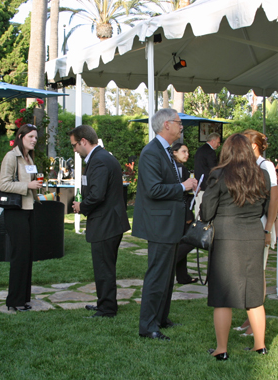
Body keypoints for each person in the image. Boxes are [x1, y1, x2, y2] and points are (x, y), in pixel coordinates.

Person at [201, 133, 271, 360]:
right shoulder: (263, 175)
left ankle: (221, 349)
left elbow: (207, 212)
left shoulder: (219, 175)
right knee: (254, 295)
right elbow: (264, 207)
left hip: (226, 237)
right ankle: (259, 346)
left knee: (222, 296)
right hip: (253, 235)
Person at [133, 109, 198, 341]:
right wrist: (183, 186)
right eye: (179, 123)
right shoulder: (151, 152)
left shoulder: (165, 151)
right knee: (157, 275)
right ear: (166, 125)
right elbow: (154, 190)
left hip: (170, 224)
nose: (182, 127)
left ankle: (161, 318)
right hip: (159, 225)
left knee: (167, 275)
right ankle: (148, 326)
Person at [70, 125, 130, 318]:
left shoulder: (99, 161)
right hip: (110, 221)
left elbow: (97, 195)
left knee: (104, 267)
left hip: (106, 223)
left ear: (83, 141)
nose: (74, 150)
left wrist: (81, 207)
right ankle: (105, 303)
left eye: (74, 145)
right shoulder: (102, 157)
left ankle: (107, 309)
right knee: (105, 266)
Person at [232, 129, 278, 337]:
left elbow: (274, 200)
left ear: (253, 146)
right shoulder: (248, 166)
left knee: (257, 275)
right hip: (249, 227)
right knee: (248, 274)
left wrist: (268, 228)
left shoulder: (266, 166)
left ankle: (255, 325)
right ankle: (248, 319)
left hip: (261, 226)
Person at [0, 124, 44, 312]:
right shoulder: (11, 156)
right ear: (21, 136)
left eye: (36, 137)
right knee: (19, 256)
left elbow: (31, 183)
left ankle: (23, 298)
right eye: (31, 137)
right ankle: (14, 301)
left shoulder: (28, 158)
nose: (34, 140)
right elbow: (3, 184)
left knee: (27, 255)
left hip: (28, 209)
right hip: (15, 211)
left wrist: (38, 188)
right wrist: (28, 185)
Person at [171, 143, 198, 285]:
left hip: (182, 209)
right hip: (182, 211)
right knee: (189, 241)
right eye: (183, 151)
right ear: (174, 152)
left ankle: (182, 276)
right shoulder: (178, 168)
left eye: (187, 151)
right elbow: (181, 191)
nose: (187, 154)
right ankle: (170, 264)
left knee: (182, 241)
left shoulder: (181, 167)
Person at [194, 132, 221, 216]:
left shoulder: (200, 149)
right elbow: (213, 169)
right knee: (206, 210)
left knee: (198, 207)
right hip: (207, 185)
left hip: (198, 184)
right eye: (218, 142)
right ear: (212, 141)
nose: (219, 145)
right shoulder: (210, 152)